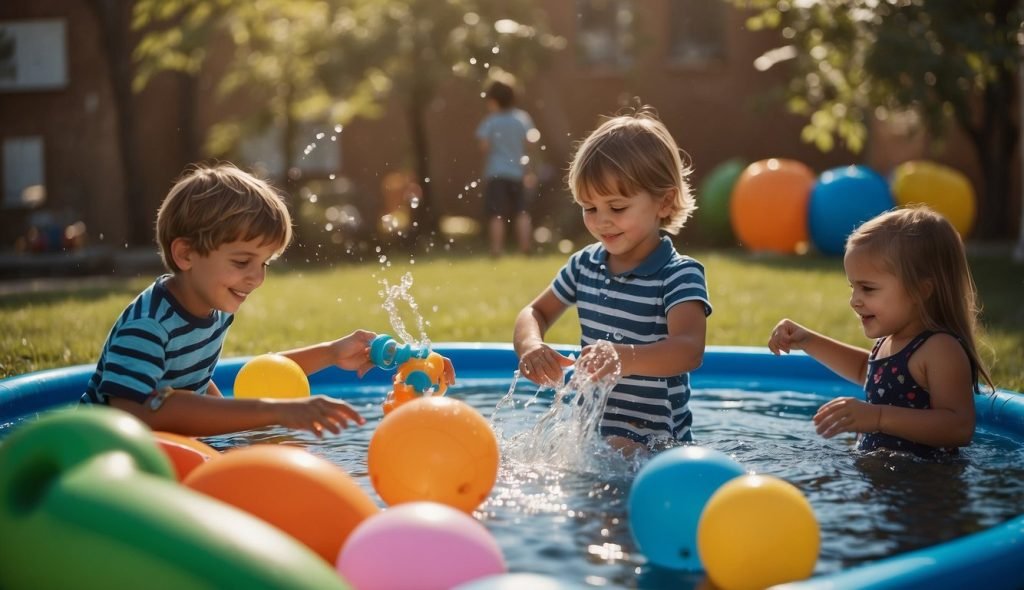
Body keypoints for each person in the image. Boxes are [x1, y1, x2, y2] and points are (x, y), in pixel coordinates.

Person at [80, 163, 455, 437]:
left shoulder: (210, 309)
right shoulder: (148, 326)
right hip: (99, 458)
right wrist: (276, 411)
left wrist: (331, 353)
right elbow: (135, 414)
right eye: (242, 262)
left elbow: (210, 388)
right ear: (186, 255)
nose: (257, 278)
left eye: (264, 264)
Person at [513, 107, 711, 453]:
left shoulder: (678, 275)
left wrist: (624, 357)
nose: (602, 221)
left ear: (663, 202)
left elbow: (689, 349)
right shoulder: (585, 265)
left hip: (658, 449)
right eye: (589, 208)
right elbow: (534, 312)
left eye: (617, 208)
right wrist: (531, 346)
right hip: (593, 439)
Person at [768, 205, 994, 458]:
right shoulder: (892, 341)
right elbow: (865, 370)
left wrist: (878, 417)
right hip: (884, 479)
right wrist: (808, 340)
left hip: (927, 487)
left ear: (921, 290)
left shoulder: (940, 348)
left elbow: (959, 427)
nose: (855, 300)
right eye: (852, 287)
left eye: (868, 289)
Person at [476, 76, 537, 256]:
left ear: (493, 101)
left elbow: (483, 146)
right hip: (517, 172)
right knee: (521, 211)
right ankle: (526, 247)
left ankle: (496, 249)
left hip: (496, 172)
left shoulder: (491, 121)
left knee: (496, 213)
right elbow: (532, 142)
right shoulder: (522, 118)